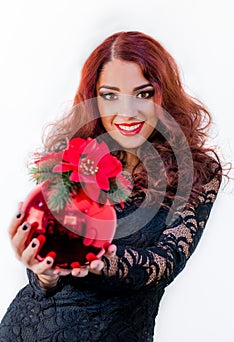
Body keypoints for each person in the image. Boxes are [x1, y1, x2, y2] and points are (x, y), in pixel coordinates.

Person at [0, 31, 223, 341]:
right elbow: (46, 269)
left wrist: (89, 257)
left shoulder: (197, 172)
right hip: (26, 331)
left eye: (143, 94)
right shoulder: (76, 156)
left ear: (163, 95)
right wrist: (43, 273)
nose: (126, 111)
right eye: (110, 94)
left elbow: (163, 265)